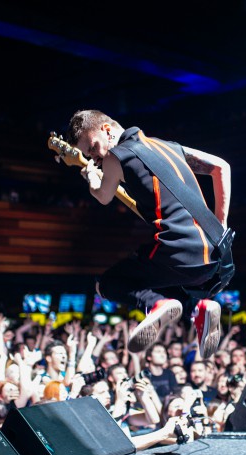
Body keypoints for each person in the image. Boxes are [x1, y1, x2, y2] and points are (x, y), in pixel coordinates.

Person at [64, 109, 234, 360]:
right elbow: (221, 167)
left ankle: (155, 305)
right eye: (89, 155)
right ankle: (200, 307)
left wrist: (91, 178)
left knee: (107, 283)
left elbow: (103, 196)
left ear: (107, 130)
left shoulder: (115, 157)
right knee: (160, 277)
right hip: (214, 257)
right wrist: (220, 226)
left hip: (179, 252)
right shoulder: (168, 146)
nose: (95, 157)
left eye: (93, 148)